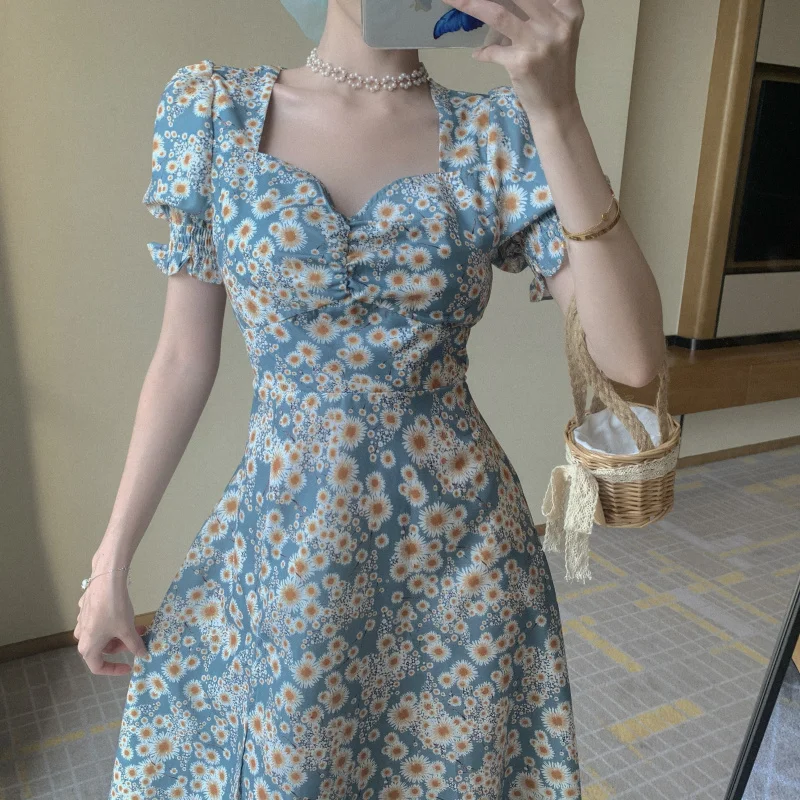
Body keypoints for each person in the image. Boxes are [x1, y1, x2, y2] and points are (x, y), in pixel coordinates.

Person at [75, 0, 665, 797]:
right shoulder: (215, 110)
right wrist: (110, 562)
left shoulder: (499, 133)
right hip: (284, 547)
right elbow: (182, 357)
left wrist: (556, 110)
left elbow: (630, 360)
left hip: (461, 559)